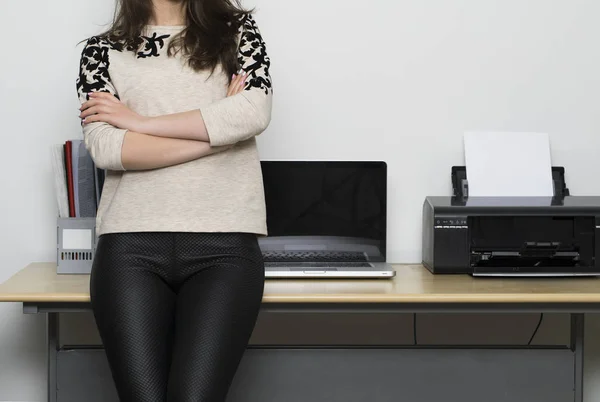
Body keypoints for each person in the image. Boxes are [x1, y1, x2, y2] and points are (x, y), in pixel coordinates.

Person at [75, 0, 272, 399]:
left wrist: (140, 122)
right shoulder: (100, 51)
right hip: (130, 247)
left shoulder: (236, 34)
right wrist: (218, 134)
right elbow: (109, 149)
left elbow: (253, 112)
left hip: (225, 247)